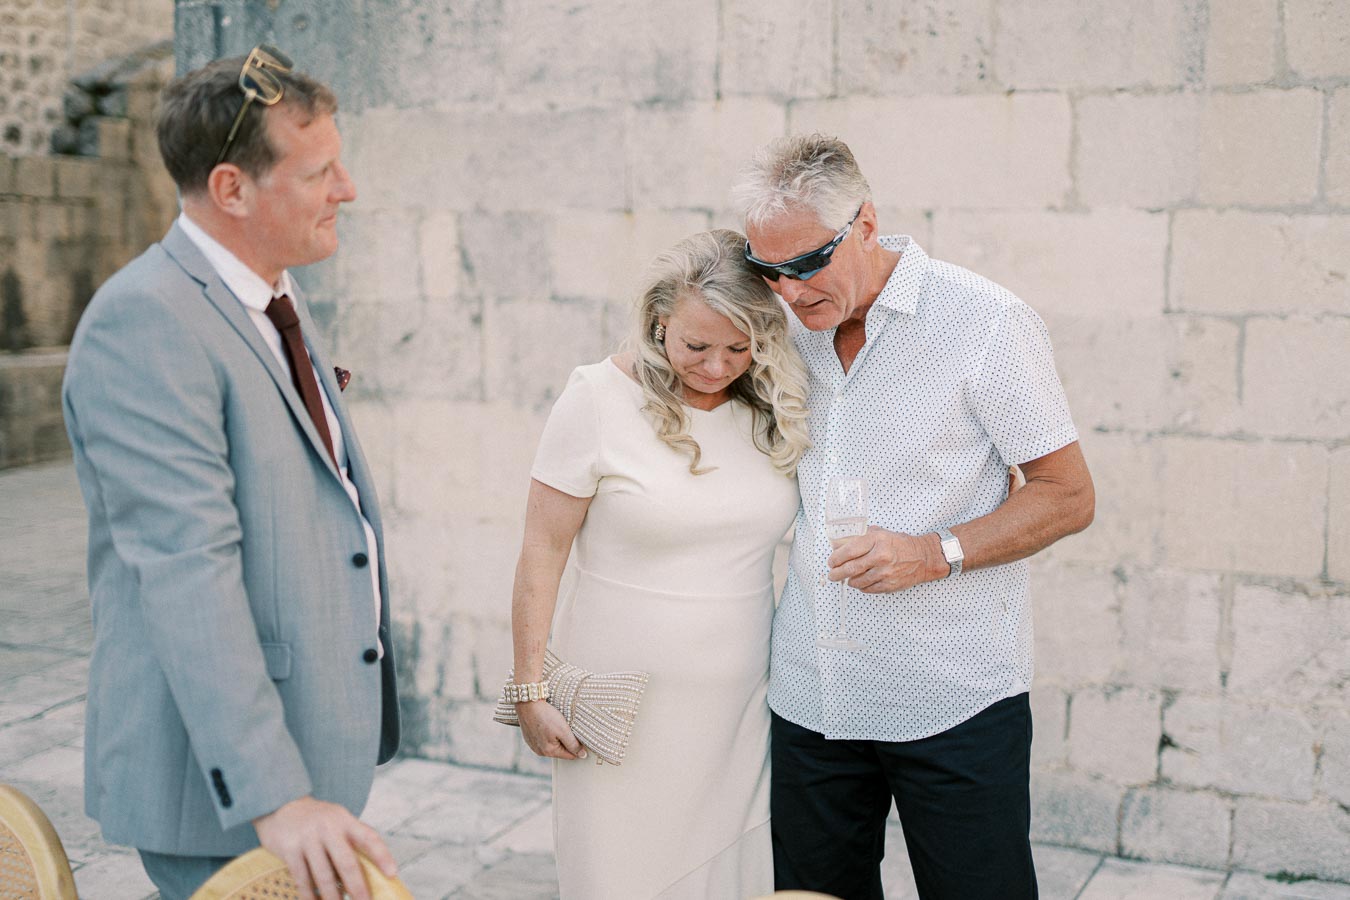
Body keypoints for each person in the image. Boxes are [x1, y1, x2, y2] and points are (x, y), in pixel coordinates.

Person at [61, 47, 399, 900]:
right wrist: (276, 795)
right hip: (224, 795)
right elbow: (186, 571)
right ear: (232, 190)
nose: (346, 189)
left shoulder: (269, 291)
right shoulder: (145, 321)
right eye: (321, 171)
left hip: (302, 755)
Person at [732, 134, 1095, 900]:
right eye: (771, 271)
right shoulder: (782, 330)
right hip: (811, 695)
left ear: (865, 224)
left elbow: (1067, 493)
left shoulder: (987, 322)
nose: (790, 292)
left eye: (807, 264)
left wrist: (936, 552)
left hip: (951, 697)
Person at [507, 229, 811, 899]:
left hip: (738, 714)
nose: (715, 365)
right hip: (621, 713)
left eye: (740, 347)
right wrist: (530, 691)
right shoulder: (594, 398)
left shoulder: (771, 406)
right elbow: (541, 551)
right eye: (695, 345)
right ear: (657, 321)